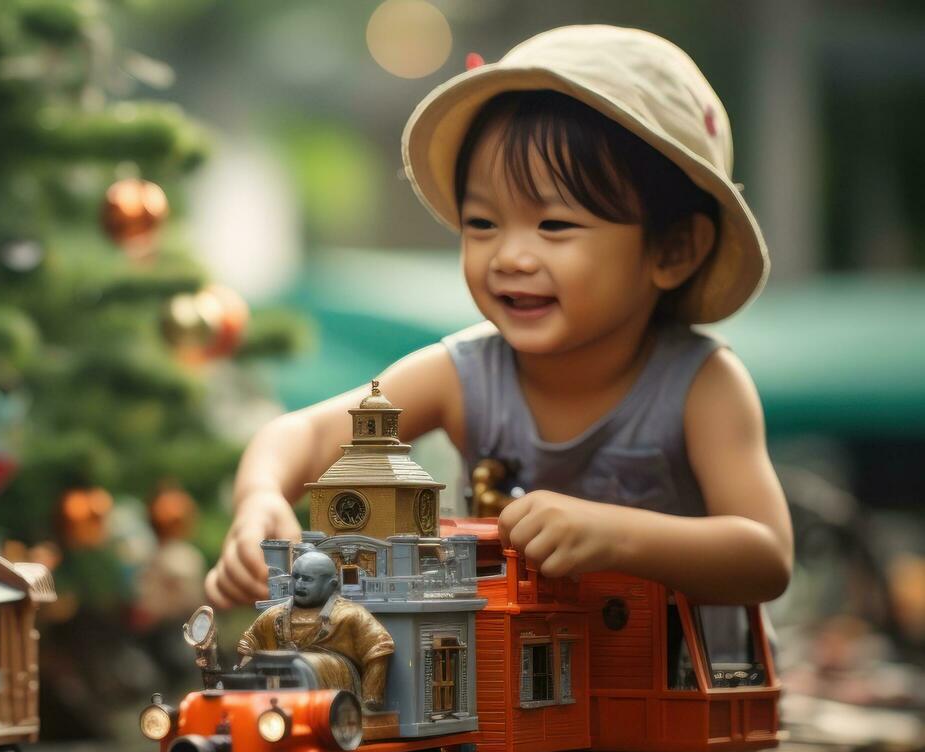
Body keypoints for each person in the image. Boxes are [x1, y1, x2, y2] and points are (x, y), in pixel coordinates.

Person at [207, 25, 792, 612]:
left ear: (673, 250)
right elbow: (300, 434)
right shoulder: (465, 376)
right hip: (506, 690)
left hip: (673, 691)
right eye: (482, 224)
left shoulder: (701, 384)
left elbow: (765, 555)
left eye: (555, 225)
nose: (509, 256)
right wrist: (260, 501)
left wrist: (617, 534)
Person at [237, 551, 395, 707]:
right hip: (277, 699)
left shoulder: (350, 615)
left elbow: (380, 647)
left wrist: (370, 698)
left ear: (331, 584)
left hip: (334, 699)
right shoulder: (273, 616)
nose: (298, 584)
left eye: (307, 579)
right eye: (296, 577)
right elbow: (249, 645)